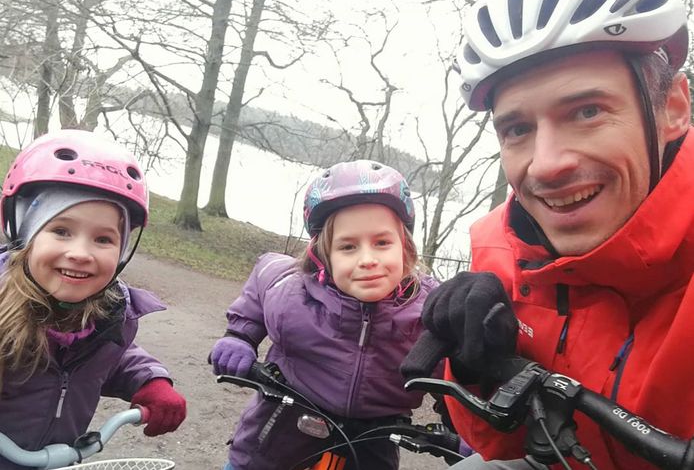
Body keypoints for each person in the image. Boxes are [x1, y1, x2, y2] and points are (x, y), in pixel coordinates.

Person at [401, 0, 693, 469]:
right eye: (517, 129)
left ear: (673, 108)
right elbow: (499, 448)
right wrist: (478, 374)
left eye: (587, 111)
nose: (548, 164)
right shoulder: (500, 252)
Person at [209, 159, 439, 470]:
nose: (368, 259)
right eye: (348, 247)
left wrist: (465, 423)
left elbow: (454, 366)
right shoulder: (293, 293)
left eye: (382, 243)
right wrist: (240, 335)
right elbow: (265, 273)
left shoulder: (430, 313)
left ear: (405, 248)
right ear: (323, 256)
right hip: (278, 440)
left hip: (371, 447)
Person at [0, 130, 187, 469]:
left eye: (103, 239)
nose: (80, 253)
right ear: (24, 234)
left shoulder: (110, 316)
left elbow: (109, 357)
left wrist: (150, 380)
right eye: (61, 231)